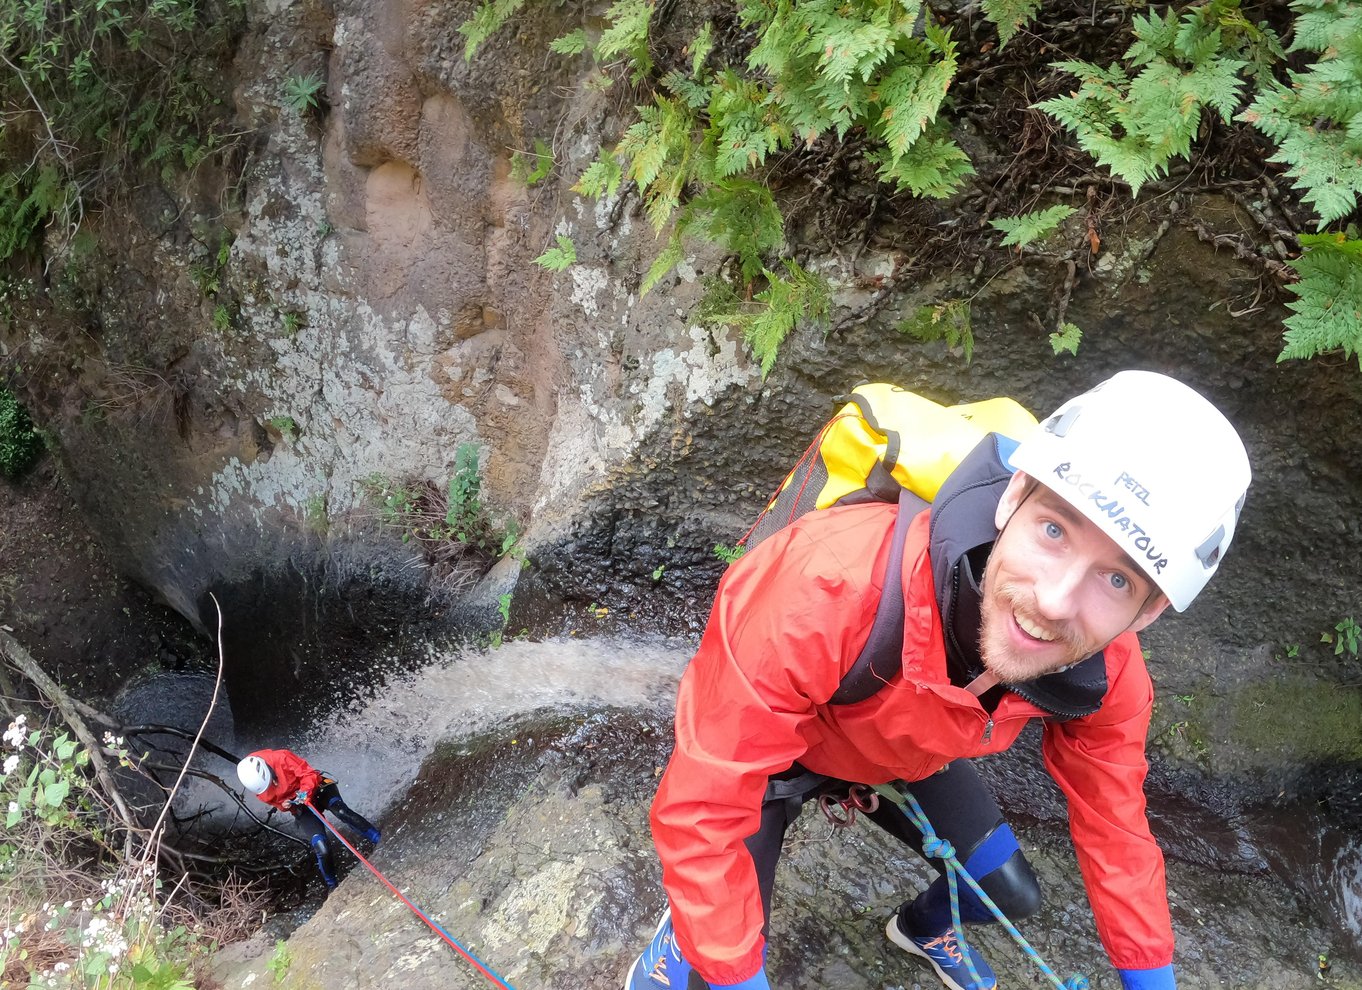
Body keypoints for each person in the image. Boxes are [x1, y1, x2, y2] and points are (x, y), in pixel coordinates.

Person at [624, 371, 1251, 990]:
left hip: (901, 754)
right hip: (778, 763)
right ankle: (676, 943)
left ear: (1148, 613)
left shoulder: (1108, 677)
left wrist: (1152, 980)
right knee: (715, 953)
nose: (1055, 602)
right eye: (1054, 530)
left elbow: (1116, 828)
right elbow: (705, 807)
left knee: (1008, 892)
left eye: (1118, 580)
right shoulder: (828, 585)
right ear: (1013, 499)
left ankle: (923, 929)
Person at [237, 748, 381, 890]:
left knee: (342, 812)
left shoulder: (282, 757)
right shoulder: (260, 790)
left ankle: (379, 840)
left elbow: (309, 773)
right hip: (300, 807)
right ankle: (332, 886)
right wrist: (284, 805)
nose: (270, 786)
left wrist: (305, 792)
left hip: (319, 787)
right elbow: (277, 803)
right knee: (321, 847)